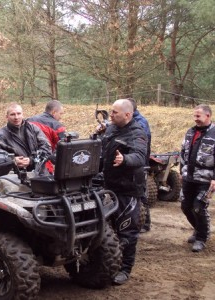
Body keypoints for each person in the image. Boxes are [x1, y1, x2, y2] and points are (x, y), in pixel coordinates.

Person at [100, 99, 148, 285]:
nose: (110, 115)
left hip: (128, 190)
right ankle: (105, 263)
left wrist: (125, 159)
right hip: (109, 186)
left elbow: (140, 156)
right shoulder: (112, 129)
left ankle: (125, 269)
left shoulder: (137, 133)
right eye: (111, 111)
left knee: (127, 232)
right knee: (106, 228)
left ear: (127, 115)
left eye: (114, 112)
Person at [180, 104, 215, 253]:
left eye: (198, 116)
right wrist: (181, 171)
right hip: (189, 176)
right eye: (194, 116)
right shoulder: (190, 132)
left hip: (206, 179)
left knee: (199, 206)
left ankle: (201, 238)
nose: (196, 119)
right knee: (185, 206)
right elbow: (183, 152)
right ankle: (198, 229)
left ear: (208, 116)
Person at [0, 103, 52, 172]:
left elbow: (47, 147)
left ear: (22, 114)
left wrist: (32, 160)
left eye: (18, 113)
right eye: (12, 114)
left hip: (39, 173)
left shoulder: (33, 129)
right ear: (7, 116)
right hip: (15, 176)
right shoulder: (1, 135)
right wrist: (11, 160)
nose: (16, 117)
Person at [128, 98, 152, 233]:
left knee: (141, 193)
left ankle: (145, 223)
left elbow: (138, 142)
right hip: (135, 163)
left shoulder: (140, 123)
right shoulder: (135, 120)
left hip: (139, 164)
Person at [27, 100, 66, 173]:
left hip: (27, 162)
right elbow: (63, 149)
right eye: (60, 114)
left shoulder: (29, 120)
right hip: (45, 165)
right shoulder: (57, 127)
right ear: (54, 112)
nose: (61, 117)